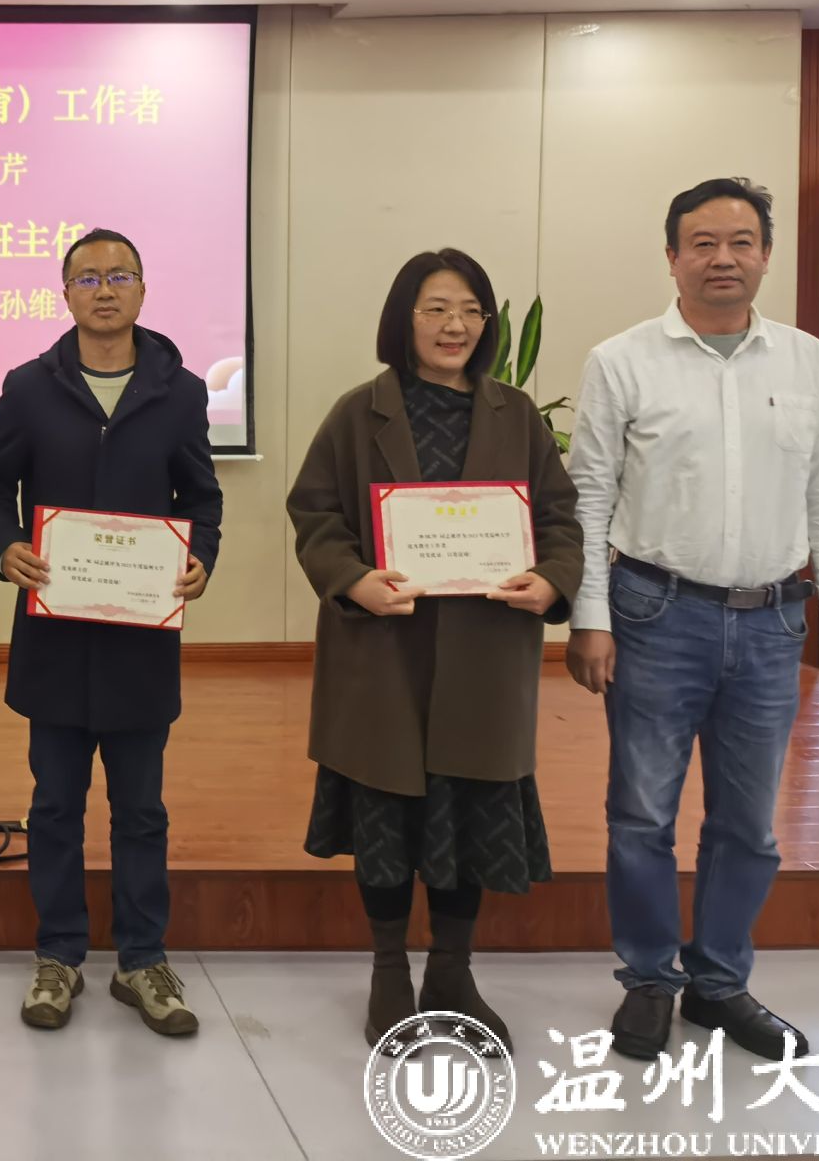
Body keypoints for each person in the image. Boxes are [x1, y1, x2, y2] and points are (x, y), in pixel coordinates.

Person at [566, 177, 819, 1063]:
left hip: (773, 623)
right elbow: (589, 496)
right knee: (640, 814)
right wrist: (590, 617)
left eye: (741, 242)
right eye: (703, 243)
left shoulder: (806, 361)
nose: (722, 258)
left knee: (749, 826)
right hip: (655, 613)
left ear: (766, 254)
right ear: (672, 258)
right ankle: (649, 980)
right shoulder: (622, 360)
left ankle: (720, 982)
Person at [287, 247, 581, 1052]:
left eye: (471, 310)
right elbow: (315, 514)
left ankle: (452, 971)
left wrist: (551, 579)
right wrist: (353, 580)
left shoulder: (516, 416)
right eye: (436, 309)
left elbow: (559, 519)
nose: (456, 325)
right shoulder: (359, 413)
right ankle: (389, 972)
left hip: (487, 651)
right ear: (404, 320)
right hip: (384, 651)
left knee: (469, 816)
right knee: (386, 816)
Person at [0, 227, 222, 1036]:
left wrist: (201, 556)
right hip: (55, 638)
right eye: (87, 277)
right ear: (65, 292)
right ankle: (59, 956)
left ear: (143, 289)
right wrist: (5, 546)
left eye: (119, 276)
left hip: (141, 636)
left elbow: (201, 497)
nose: (104, 290)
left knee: (141, 809)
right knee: (55, 805)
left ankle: (143, 960)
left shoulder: (180, 392)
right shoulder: (28, 387)